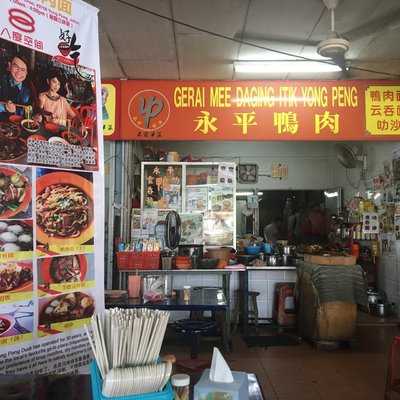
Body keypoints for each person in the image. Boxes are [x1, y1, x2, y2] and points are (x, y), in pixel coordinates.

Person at [0, 54, 34, 121]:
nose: (19, 72)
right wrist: (4, 107)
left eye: (23, 69)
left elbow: (29, 111)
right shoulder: (1, 80)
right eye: (16, 67)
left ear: (27, 72)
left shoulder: (30, 88)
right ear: (9, 66)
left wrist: (35, 116)